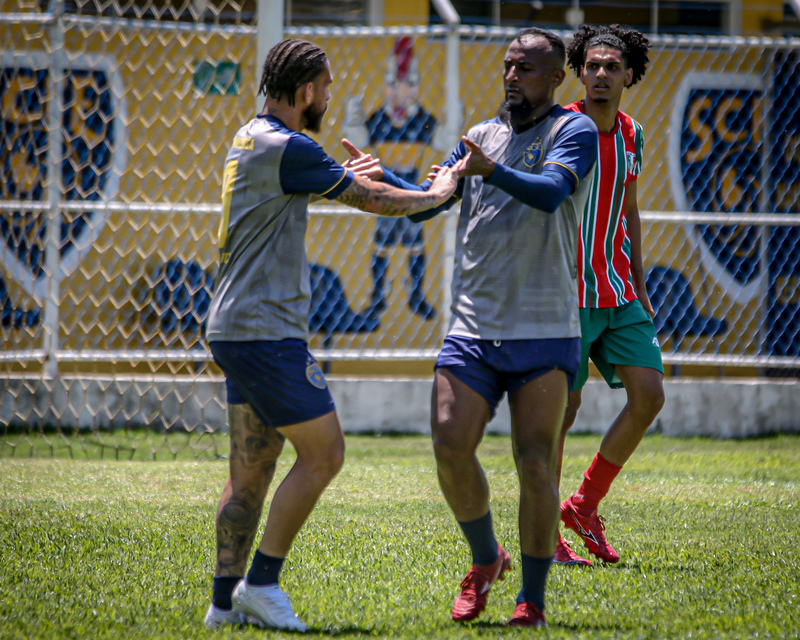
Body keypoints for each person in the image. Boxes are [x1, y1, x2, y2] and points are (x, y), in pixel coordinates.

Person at [202, 38, 462, 632]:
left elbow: (341, 184)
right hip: (266, 332)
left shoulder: (252, 137)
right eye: (325, 87)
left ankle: (222, 606)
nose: (329, 97)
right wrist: (440, 192)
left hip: (234, 325)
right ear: (305, 93)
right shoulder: (292, 147)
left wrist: (350, 177)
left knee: (253, 468)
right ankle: (261, 584)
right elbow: (372, 198)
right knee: (326, 453)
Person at [349, 27, 598, 627]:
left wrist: (491, 171)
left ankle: (531, 601)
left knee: (536, 463)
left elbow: (552, 192)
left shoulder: (575, 131)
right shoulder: (481, 137)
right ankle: (486, 561)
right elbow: (436, 198)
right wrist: (382, 180)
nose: (513, 76)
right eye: (509, 65)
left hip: (543, 328)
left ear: (556, 76)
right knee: (448, 441)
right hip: (472, 327)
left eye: (528, 68)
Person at [553, 25, 665, 567]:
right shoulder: (560, 127)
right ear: (579, 71)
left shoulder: (632, 132)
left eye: (611, 67)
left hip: (617, 290)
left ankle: (584, 505)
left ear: (629, 75)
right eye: (591, 65)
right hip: (566, 294)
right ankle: (543, 535)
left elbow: (629, 209)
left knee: (648, 396)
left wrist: (641, 287)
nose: (600, 74)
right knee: (560, 412)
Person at [345, 36, 453, 320]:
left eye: (408, 84)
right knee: (381, 245)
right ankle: (378, 295)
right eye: (393, 84)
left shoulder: (421, 122)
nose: (400, 92)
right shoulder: (379, 119)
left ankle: (416, 295)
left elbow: (443, 140)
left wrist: (452, 117)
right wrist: (353, 118)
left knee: (415, 244)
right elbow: (358, 137)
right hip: (381, 186)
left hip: (411, 187)